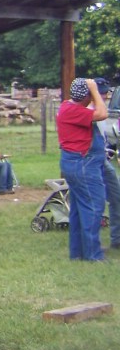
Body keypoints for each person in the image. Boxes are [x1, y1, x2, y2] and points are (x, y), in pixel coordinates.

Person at [56, 78, 108, 262]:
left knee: (79, 210)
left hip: (74, 163)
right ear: (86, 96)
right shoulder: (73, 111)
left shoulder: (68, 107)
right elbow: (102, 113)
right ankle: (93, 255)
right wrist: (93, 89)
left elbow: (93, 111)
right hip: (83, 164)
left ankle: (77, 253)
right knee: (94, 207)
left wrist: (91, 94)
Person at [94, 78, 120, 251]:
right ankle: (94, 243)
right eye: (101, 92)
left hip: (102, 157)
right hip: (93, 159)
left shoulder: (102, 111)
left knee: (116, 197)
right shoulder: (91, 111)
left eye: (105, 92)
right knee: (97, 201)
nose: (104, 95)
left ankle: (117, 239)